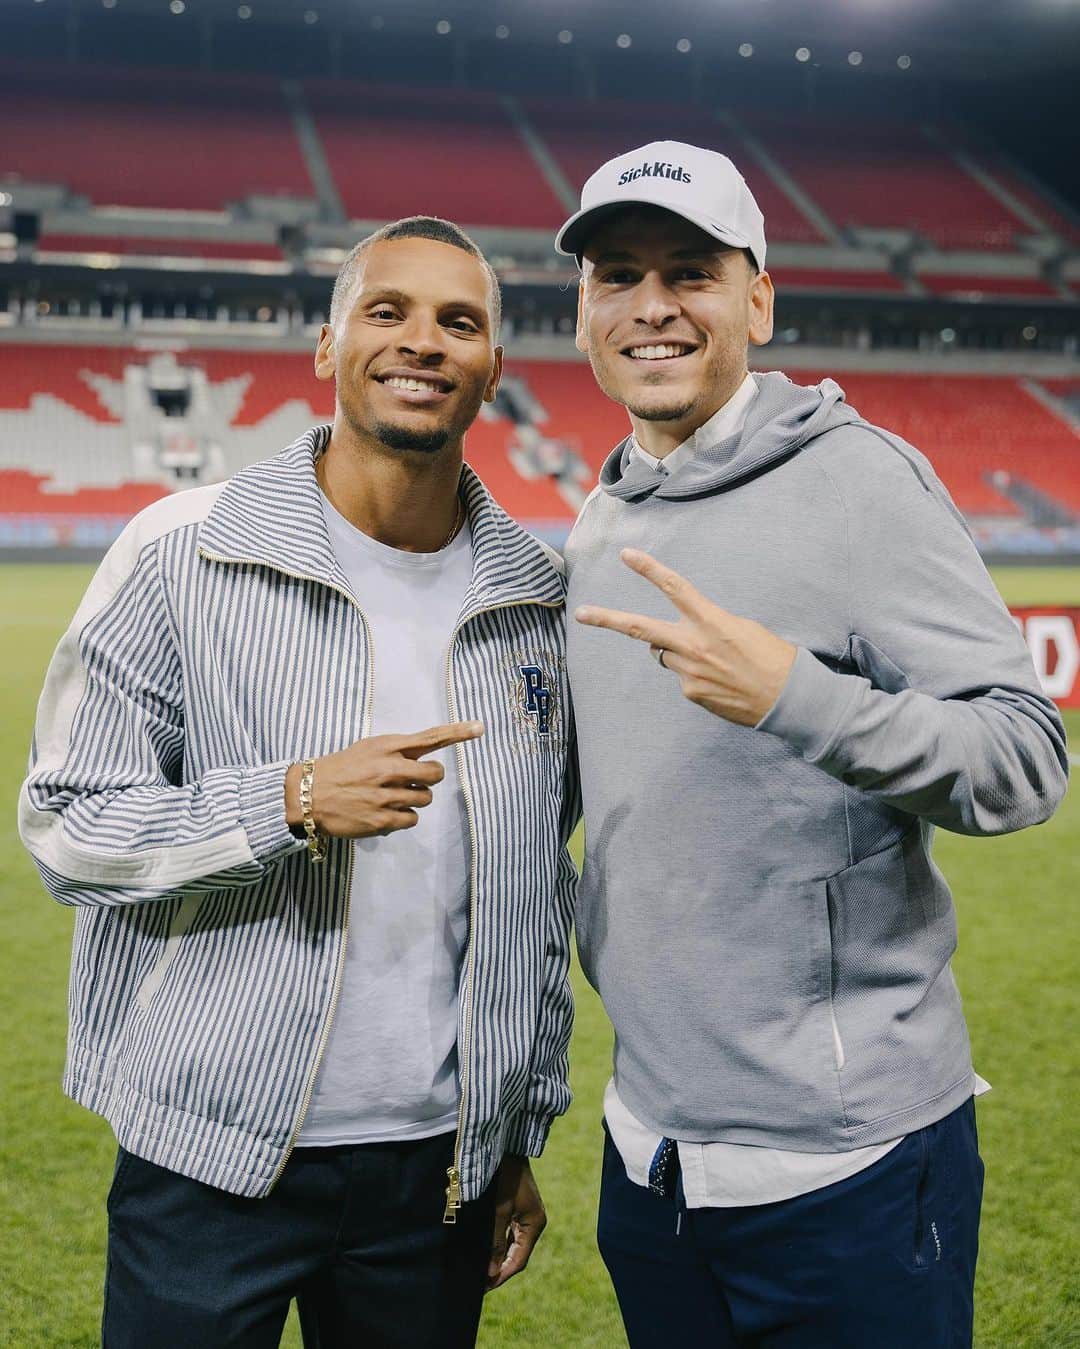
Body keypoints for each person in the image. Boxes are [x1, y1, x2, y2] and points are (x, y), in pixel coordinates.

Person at [18, 215, 579, 1349]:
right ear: (327, 350)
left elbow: (533, 887)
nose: (423, 341)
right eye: (388, 311)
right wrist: (290, 799)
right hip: (209, 1160)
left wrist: (509, 1133)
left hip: (438, 1176)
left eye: (457, 321)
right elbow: (68, 823)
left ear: (493, 369)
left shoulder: (542, 596)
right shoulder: (182, 549)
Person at [556, 141, 1068, 1347]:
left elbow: (1025, 754)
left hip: (851, 1162)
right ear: (582, 309)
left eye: (690, 271)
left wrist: (801, 695)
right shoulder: (605, 509)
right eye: (617, 274)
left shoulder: (863, 484)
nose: (651, 306)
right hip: (652, 1155)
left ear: (759, 298)